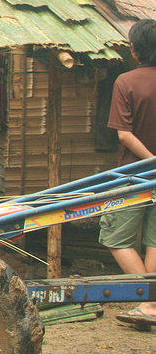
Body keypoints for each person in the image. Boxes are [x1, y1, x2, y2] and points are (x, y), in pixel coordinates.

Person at [99, 19, 156, 326]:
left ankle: (151, 303)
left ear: (135, 51)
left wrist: (152, 161)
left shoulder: (126, 81)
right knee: (155, 240)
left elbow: (124, 135)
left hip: (135, 174)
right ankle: (152, 307)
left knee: (115, 237)